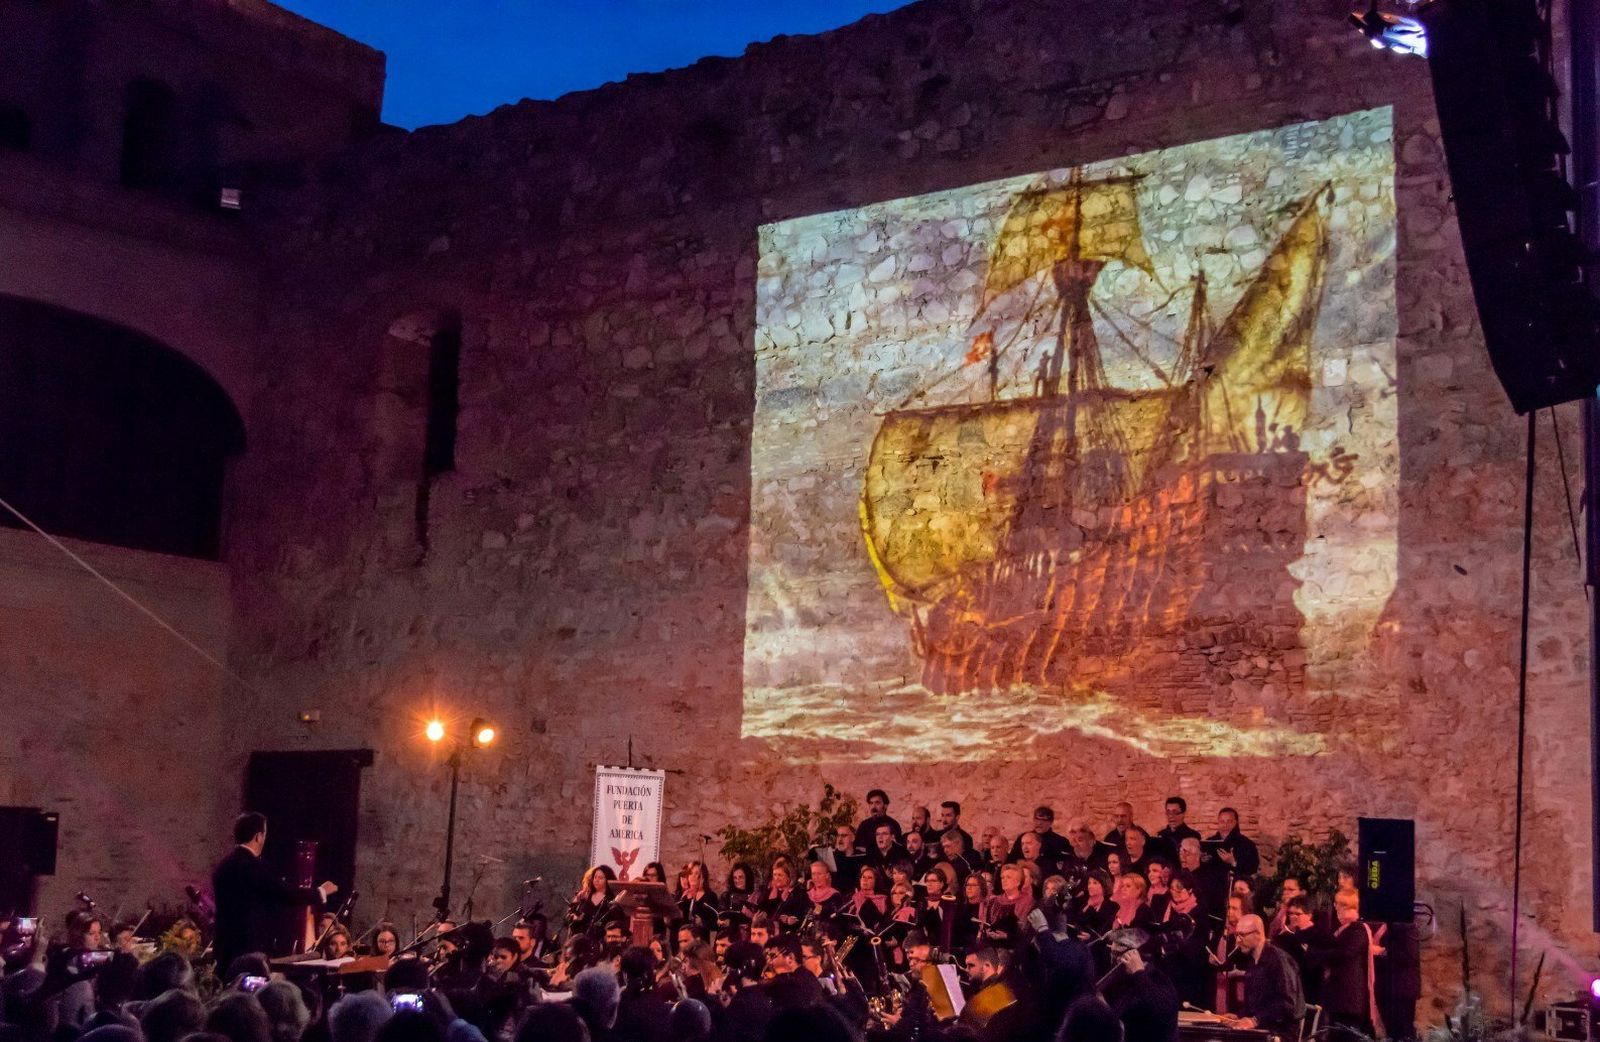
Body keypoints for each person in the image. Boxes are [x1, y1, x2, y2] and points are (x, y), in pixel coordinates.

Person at [212, 812, 336, 972]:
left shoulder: (222, 867)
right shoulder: (255, 867)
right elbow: (286, 894)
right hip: (250, 949)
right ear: (258, 837)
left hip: (224, 949)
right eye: (264, 834)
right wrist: (320, 892)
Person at [1227, 914, 1304, 1038]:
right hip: (1262, 1029)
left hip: (1279, 1033)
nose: (1238, 940)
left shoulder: (1278, 960)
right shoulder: (1252, 962)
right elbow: (1255, 1005)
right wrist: (1238, 1016)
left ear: (1258, 933)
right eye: (1236, 935)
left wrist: (1255, 1020)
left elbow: (1287, 1004)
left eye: (1242, 935)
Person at [1324, 891, 1384, 1040]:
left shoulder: (1358, 929)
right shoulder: (1343, 930)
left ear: (1347, 906)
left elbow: (1345, 953)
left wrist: (1319, 953)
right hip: (1340, 999)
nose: (1335, 908)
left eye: (1337, 904)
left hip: (1349, 999)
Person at [762, 935, 824, 1011]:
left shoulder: (790, 984)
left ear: (790, 958)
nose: (769, 962)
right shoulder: (808, 976)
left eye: (773, 956)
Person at [1207, 807, 1260, 879]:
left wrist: (1233, 862)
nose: (1225, 825)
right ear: (1218, 823)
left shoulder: (1247, 845)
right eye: (1222, 821)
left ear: (1235, 823)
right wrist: (1202, 860)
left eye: (1229, 821)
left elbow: (1252, 870)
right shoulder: (1210, 843)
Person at [1154, 797, 1201, 863]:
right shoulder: (1161, 835)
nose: (1171, 816)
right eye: (1168, 812)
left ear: (1183, 813)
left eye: (1175, 812)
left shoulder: (1193, 835)